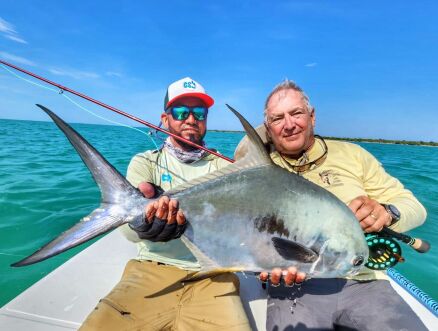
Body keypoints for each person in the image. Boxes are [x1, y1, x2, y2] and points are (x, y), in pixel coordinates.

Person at [235, 80, 428, 330]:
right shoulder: (260, 169)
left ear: (312, 116)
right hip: (293, 285)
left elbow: (415, 207)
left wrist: (387, 213)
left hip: (363, 282)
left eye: (296, 113)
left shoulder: (353, 155)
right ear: (267, 128)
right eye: (277, 119)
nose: (290, 124)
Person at [80, 77, 251, 330]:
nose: (191, 119)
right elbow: (128, 232)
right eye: (181, 112)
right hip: (150, 269)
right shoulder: (145, 163)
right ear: (165, 118)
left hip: (215, 276)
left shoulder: (226, 168)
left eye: (199, 112)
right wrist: (141, 225)